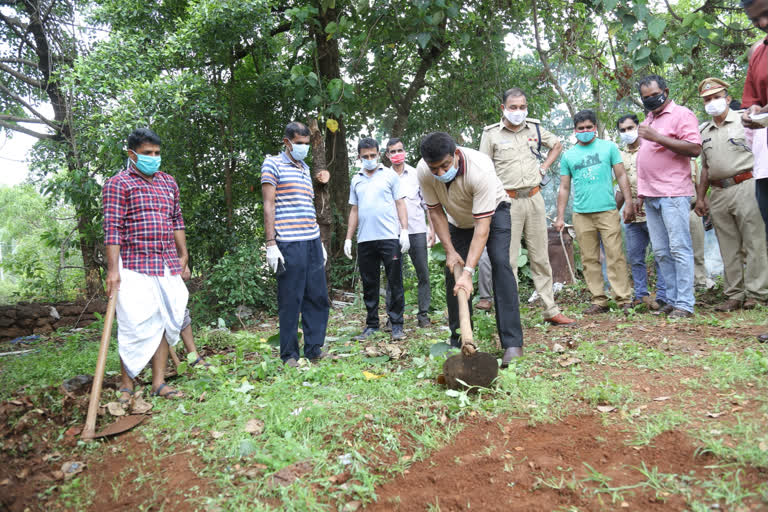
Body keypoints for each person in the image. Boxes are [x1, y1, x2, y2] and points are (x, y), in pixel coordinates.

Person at [417, 132, 524, 366]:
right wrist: (451, 252)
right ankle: (459, 339)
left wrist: (468, 272)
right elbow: (435, 211)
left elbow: (482, 227)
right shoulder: (424, 171)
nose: (441, 173)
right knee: (451, 269)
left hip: (494, 213)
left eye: (445, 165)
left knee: (499, 262)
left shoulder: (480, 168)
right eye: (435, 169)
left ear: (455, 154)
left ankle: (512, 342)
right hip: (457, 220)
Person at [103, 128, 189, 401]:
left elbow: (176, 220)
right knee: (133, 324)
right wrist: (113, 270)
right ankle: (127, 384)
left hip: (164, 263)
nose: (154, 158)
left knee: (164, 319)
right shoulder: (119, 184)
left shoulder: (168, 183)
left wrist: (183, 254)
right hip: (133, 265)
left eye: (157, 153)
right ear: (132, 154)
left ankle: (159, 382)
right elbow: (112, 229)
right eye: (147, 153)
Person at [478, 88, 575, 326]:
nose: (518, 112)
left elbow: (558, 145)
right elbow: (482, 168)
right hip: (506, 202)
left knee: (540, 256)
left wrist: (543, 168)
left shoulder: (535, 128)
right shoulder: (491, 134)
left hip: (534, 199)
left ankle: (550, 309)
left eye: (522, 107)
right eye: (513, 107)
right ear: (503, 108)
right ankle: (511, 315)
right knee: (508, 260)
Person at [694, 78, 768, 311]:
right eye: (707, 99)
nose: (712, 102)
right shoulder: (704, 131)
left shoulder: (745, 121)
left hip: (746, 184)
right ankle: (734, 294)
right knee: (728, 245)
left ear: (727, 98)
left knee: (754, 241)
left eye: (716, 97)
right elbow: (705, 167)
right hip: (717, 191)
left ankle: (757, 294)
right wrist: (701, 197)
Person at [261, 122, 330, 368]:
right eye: (298, 143)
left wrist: (319, 242)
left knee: (318, 296)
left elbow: (308, 206)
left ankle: (314, 348)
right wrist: (271, 243)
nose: (303, 147)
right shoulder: (272, 164)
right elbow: (269, 204)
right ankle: (289, 354)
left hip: (311, 239)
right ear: (286, 142)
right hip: (288, 242)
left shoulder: (304, 168)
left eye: (306, 143)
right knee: (291, 299)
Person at [554, 110, 635, 313]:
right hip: (581, 214)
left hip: (608, 210)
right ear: (575, 131)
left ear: (595, 128)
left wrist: (629, 202)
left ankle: (623, 299)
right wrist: (560, 216)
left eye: (589, 127)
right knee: (589, 258)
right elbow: (564, 187)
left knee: (615, 254)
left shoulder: (609, 148)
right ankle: (599, 300)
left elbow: (622, 176)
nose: (585, 131)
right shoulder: (569, 155)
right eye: (581, 128)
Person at [636, 74, 702, 318]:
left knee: (679, 248)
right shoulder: (650, 118)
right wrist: (641, 193)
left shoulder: (681, 114)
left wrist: (658, 137)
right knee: (662, 251)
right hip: (652, 195)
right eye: (646, 97)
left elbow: (694, 148)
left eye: (655, 95)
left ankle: (685, 303)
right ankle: (673, 300)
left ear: (665, 90)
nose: (651, 100)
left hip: (673, 192)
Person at [344, 138, 409, 341]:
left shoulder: (390, 176)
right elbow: (354, 209)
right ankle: (372, 325)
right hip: (365, 240)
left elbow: (400, 203)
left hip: (389, 236)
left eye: (373, 155)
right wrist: (348, 238)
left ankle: (396, 324)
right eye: (365, 156)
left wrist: (404, 230)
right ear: (359, 157)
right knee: (369, 283)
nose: (370, 159)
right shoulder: (356, 179)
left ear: (379, 154)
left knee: (395, 282)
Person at [615, 114, 667, 310]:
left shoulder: (650, 148)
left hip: (653, 210)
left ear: (638, 127)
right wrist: (615, 211)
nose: (627, 133)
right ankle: (640, 295)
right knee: (635, 257)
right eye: (623, 130)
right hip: (632, 216)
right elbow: (621, 186)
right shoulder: (620, 156)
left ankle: (663, 296)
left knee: (661, 254)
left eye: (630, 128)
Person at [383, 138, 434, 328]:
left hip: (417, 230)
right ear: (387, 155)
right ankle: (393, 317)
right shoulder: (384, 176)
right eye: (392, 151)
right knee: (393, 276)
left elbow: (427, 203)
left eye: (399, 150)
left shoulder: (416, 174)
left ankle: (423, 315)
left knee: (423, 274)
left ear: (404, 151)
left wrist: (432, 228)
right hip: (392, 233)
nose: (397, 154)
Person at [741, 3, 768, 343]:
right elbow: (752, 99)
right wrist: (754, 111)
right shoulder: (758, 53)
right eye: (754, 19)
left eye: (766, 12)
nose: (762, 23)